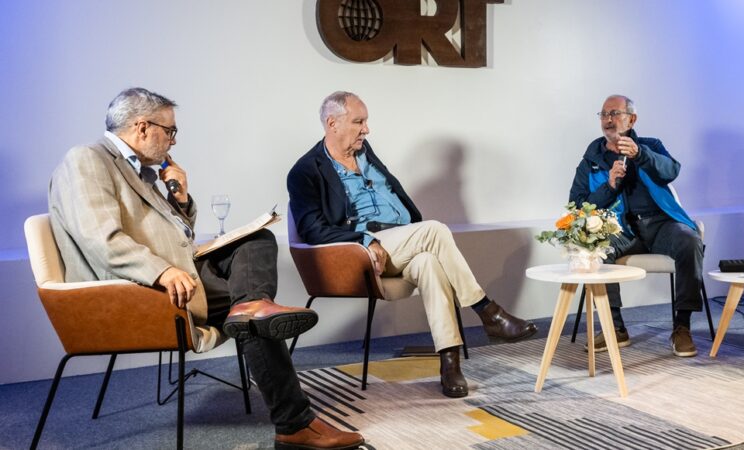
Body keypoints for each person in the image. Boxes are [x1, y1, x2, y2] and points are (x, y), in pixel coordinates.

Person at [48, 88, 364, 450]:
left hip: (172, 276)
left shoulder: (141, 172)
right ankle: (295, 422)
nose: (173, 141)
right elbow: (101, 238)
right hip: (132, 291)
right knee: (251, 313)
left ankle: (253, 308)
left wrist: (180, 199)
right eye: (170, 131)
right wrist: (162, 272)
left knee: (257, 241)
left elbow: (176, 235)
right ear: (142, 127)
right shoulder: (87, 159)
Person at [287, 91, 538, 398]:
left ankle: (449, 365)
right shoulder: (305, 171)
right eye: (358, 122)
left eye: (366, 121)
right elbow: (312, 230)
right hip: (361, 254)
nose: (367, 129)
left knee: (429, 263)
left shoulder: (364, 153)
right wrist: (364, 240)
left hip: (400, 241)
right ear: (332, 123)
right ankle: (488, 312)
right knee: (433, 230)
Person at [569, 94, 704, 357]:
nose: (608, 120)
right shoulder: (591, 159)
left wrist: (641, 155)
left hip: (661, 225)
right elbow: (577, 206)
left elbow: (671, 171)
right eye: (604, 114)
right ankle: (614, 327)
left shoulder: (650, 146)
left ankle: (682, 327)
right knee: (596, 249)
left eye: (615, 114)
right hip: (621, 230)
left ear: (631, 120)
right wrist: (609, 186)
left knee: (689, 240)